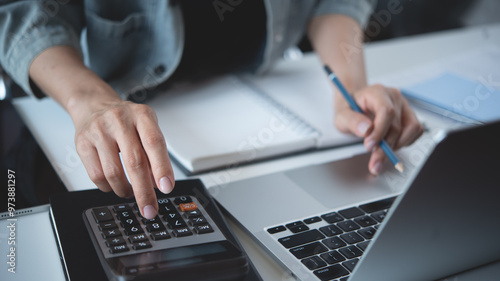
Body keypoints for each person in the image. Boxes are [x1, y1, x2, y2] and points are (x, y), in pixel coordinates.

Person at [0, 0, 424, 219]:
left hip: (266, 94)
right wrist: (89, 100)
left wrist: (351, 88)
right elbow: (22, 13)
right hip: (76, 102)